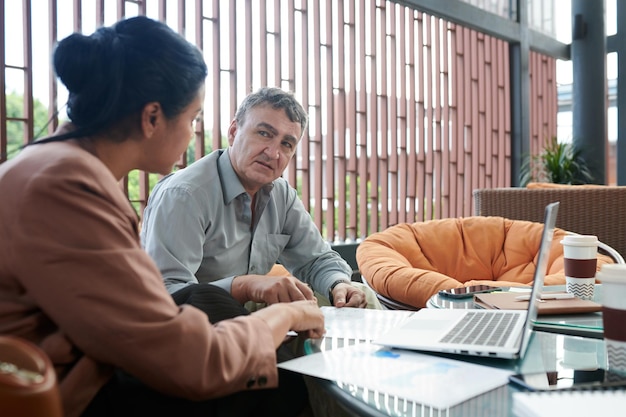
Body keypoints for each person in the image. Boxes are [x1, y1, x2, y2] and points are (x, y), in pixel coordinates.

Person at [0, 16, 325, 417]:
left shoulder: (57, 166)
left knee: (211, 305)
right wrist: (286, 315)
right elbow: (189, 359)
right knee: (278, 385)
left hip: (93, 361)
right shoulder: (66, 186)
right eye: (192, 118)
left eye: (287, 144)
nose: (192, 133)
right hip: (72, 393)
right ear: (153, 118)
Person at [140, 87, 371, 309]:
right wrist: (245, 286)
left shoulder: (280, 194)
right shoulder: (185, 195)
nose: (273, 153)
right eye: (264, 134)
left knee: (362, 294)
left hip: (249, 317)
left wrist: (339, 284)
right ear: (233, 132)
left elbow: (316, 260)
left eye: (286, 143)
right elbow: (168, 293)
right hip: (196, 322)